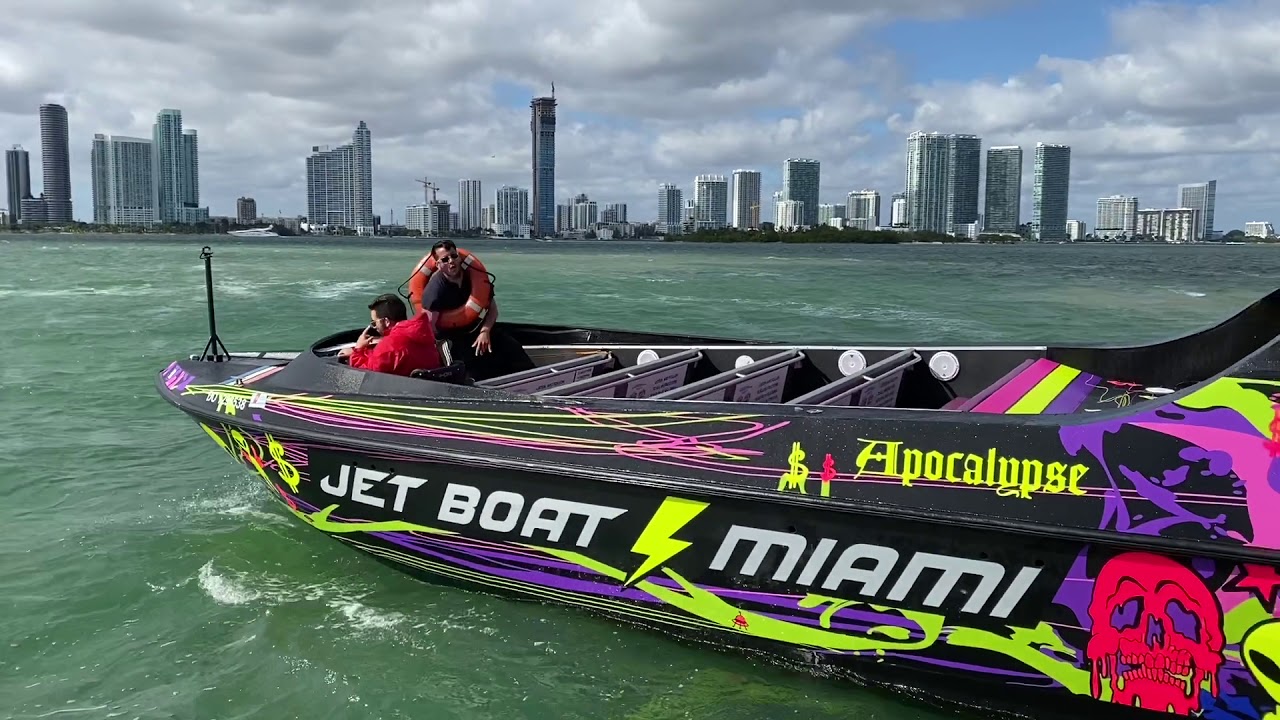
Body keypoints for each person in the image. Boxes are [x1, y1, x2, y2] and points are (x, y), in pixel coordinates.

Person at [413, 240, 534, 381]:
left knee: (512, 346)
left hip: (476, 329)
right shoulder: (434, 292)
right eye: (445, 259)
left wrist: (485, 332)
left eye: (454, 256)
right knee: (466, 369)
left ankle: (533, 379)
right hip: (450, 338)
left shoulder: (475, 278)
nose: (451, 261)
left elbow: (493, 310)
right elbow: (430, 328)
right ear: (438, 264)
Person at [339, 293, 442, 377]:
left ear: (386, 321)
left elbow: (367, 372)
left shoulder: (391, 345)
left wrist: (358, 350)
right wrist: (364, 352)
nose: (375, 327)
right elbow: (386, 359)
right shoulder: (421, 334)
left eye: (374, 323)